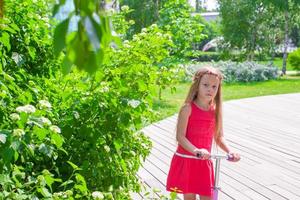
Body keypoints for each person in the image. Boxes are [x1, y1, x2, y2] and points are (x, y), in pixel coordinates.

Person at [166, 66, 240, 200]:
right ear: (197, 85)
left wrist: (230, 151)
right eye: (205, 85)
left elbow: (218, 136)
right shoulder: (187, 108)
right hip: (188, 160)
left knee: (208, 197)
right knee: (189, 198)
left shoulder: (215, 111)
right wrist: (196, 151)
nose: (210, 89)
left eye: (214, 87)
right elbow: (180, 137)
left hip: (204, 162)